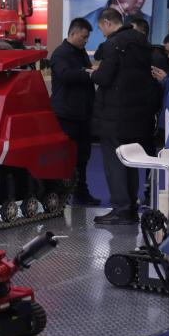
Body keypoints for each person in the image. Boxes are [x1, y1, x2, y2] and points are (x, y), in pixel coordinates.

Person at [90, 8, 161, 225]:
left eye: (101, 28)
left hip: (115, 115)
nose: (102, 32)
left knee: (115, 162)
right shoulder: (141, 41)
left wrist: (94, 73)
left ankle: (121, 208)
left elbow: (105, 77)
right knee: (130, 160)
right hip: (137, 114)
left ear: (107, 22)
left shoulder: (114, 45)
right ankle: (130, 206)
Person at [50, 18, 100, 207]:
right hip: (66, 115)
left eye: (87, 38)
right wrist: (88, 72)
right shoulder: (60, 54)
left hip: (82, 114)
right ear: (72, 33)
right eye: (83, 37)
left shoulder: (80, 52)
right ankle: (57, 195)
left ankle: (81, 192)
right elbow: (65, 75)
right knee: (65, 157)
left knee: (83, 156)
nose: (86, 41)